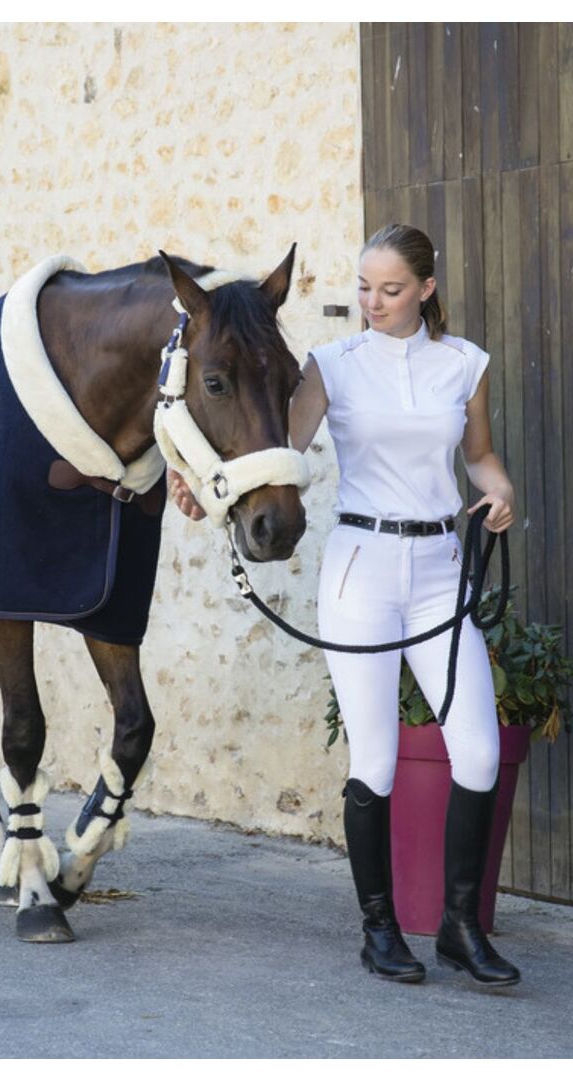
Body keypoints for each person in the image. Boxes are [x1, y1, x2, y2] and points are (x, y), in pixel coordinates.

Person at [169, 223, 519, 986]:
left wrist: (497, 489)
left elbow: (479, 455)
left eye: (390, 291)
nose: (373, 303)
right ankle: (379, 929)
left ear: (426, 290)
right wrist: (201, 483)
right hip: (361, 568)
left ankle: (460, 928)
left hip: (438, 569)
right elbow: (272, 447)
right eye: (363, 287)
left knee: (482, 753)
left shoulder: (464, 365)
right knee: (378, 760)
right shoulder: (332, 365)